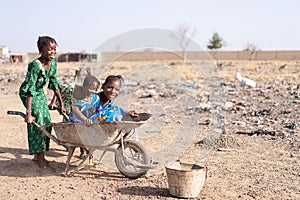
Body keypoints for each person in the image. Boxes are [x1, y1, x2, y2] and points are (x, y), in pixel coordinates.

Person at [19, 36, 66, 168]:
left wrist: (61, 104)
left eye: (55, 50)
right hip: (28, 93)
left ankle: (38, 154)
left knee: (47, 121)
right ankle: (40, 158)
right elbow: (30, 88)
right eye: (50, 49)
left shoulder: (53, 64)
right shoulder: (35, 65)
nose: (53, 52)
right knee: (37, 119)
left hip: (39, 93)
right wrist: (28, 113)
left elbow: (55, 84)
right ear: (41, 49)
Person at [48, 75, 100, 158]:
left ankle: (82, 150)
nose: (92, 91)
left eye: (95, 90)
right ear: (84, 86)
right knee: (69, 127)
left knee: (78, 126)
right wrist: (54, 102)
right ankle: (74, 145)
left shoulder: (89, 96)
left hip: (74, 107)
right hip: (64, 101)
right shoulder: (71, 88)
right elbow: (58, 88)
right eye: (90, 88)